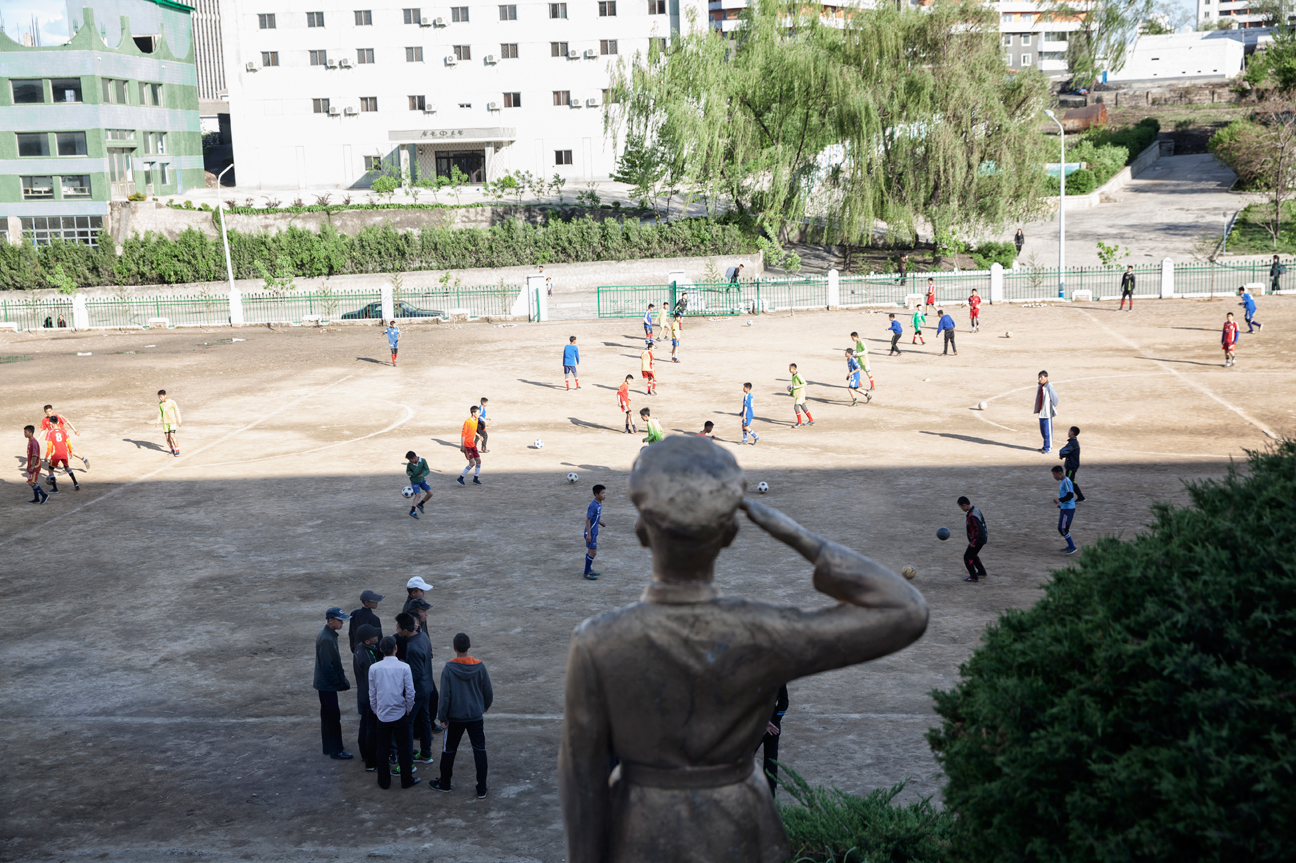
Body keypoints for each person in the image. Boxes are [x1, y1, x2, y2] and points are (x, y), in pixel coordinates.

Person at [557, 437, 928, 863]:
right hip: (741, 825)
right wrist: (796, 534)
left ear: (642, 531)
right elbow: (905, 610)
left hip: (641, 829)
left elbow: (580, 777)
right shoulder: (765, 631)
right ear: (731, 534)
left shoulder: (597, 639)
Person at [430, 632, 494, 798]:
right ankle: (482, 788)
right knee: (479, 750)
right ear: (469, 647)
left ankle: (445, 783)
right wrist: (485, 705)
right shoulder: (479, 666)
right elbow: (488, 690)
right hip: (475, 716)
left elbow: (445, 696)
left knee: (449, 750)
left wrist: (442, 717)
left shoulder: (449, 669)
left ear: (454, 648)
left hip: (455, 717)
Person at [370, 635, 420, 789]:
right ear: (396, 648)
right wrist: (408, 709)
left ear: (380, 650)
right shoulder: (404, 667)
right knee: (404, 749)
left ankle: (384, 781)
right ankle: (406, 780)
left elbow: (372, 694)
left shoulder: (374, 668)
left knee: (383, 749)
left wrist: (377, 711)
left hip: (383, 715)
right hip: (400, 713)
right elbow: (410, 693)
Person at [404, 601, 442, 758]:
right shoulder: (423, 636)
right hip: (426, 685)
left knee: (407, 723)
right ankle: (426, 752)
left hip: (418, 689)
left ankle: (407, 758)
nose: (426, 614)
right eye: (423, 611)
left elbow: (416, 673)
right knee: (425, 718)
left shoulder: (412, 646)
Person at [314, 607, 353, 760]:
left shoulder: (328, 635)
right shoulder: (326, 638)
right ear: (330, 621)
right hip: (327, 685)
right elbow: (327, 666)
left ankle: (331, 747)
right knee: (332, 717)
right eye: (339, 620)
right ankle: (335, 750)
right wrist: (339, 683)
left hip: (325, 684)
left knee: (329, 717)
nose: (342, 622)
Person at [353, 624, 383, 770]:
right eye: (374, 635)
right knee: (371, 729)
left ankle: (365, 754)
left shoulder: (359, 648)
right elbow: (375, 679)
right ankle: (371, 761)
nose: (377, 636)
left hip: (363, 694)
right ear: (367, 641)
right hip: (370, 697)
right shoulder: (369, 657)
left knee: (365, 725)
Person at [759, 685, 789, 794]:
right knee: (771, 762)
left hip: (756, 728)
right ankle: (771, 796)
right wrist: (774, 721)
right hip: (774, 726)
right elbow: (784, 703)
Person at [43, 417, 80, 492]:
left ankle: (55, 489)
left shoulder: (50, 432)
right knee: (67, 468)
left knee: (50, 470)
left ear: (50, 423)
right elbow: (68, 442)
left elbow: (49, 446)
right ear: (57, 422)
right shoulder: (63, 431)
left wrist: (47, 456)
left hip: (55, 454)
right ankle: (76, 483)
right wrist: (70, 452)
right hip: (64, 453)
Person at [957, 496, 987, 583]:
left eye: (961, 507)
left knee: (967, 557)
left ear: (965, 505)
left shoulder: (972, 516)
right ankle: (981, 572)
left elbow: (978, 529)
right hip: (982, 538)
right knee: (973, 555)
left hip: (977, 540)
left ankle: (973, 577)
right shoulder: (976, 510)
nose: (961, 509)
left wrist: (973, 542)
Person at [1052, 465, 1078, 555]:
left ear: (1060, 473)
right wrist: (1061, 505)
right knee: (1061, 528)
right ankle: (1070, 545)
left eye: (1054, 475)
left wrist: (1059, 500)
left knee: (1063, 528)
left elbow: (1070, 495)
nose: (1054, 477)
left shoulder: (1066, 481)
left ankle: (1072, 547)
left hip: (1068, 509)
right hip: (1065, 508)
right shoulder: (1063, 481)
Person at [584, 484, 607, 580]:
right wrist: (589, 534)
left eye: (605, 493)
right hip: (591, 533)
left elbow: (594, 517)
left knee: (590, 551)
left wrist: (600, 522)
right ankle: (586, 573)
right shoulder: (593, 505)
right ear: (596, 494)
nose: (604, 495)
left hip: (594, 531)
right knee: (593, 552)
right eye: (602, 493)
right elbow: (588, 520)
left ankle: (588, 569)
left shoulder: (599, 503)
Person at [1057, 427, 1086, 503]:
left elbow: (1064, 450)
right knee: (1071, 481)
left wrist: (1061, 455)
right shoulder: (1073, 442)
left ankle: (1069, 498)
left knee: (1068, 481)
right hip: (1072, 465)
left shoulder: (1073, 443)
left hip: (1071, 466)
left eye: (1069, 431)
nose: (1068, 432)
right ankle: (1080, 496)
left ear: (1072, 433)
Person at [1033, 370, 1059, 454]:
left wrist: (1050, 407)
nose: (1040, 379)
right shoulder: (1040, 386)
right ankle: (1045, 446)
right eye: (1039, 377)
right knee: (1043, 430)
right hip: (1041, 412)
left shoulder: (1049, 387)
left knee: (1048, 431)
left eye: (1042, 377)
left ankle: (1048, 447)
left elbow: (1055, 399)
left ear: (1046, 378)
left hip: (1047, 412)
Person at [458, 405, 483, 486]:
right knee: (472, 463)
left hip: (472, 444)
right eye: (478, 412)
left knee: (478, 460)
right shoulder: (467, 422)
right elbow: (463, 434)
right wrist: (462, 446)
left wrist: (478, 435)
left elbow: (472, 430)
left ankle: (476, 478)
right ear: (473, 413)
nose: (479, 414)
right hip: (467, 445)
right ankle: (461, 478)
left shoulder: (475, 420)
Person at [23, 425, 48, 504]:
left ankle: (44, 495)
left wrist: (32, 466)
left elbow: (35, 455)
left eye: (25, 432)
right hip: (32, 465)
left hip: (35, 465)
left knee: (31, 482)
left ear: (31, 433)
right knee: (34, 482)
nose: (24, 434)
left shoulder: (34, 442)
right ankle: (36, 498)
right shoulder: (30, 441)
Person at [405, 450, 433, 519]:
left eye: (410, 459)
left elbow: (427, 470)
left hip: (422, 480)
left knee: (430, 493)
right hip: (414, 481)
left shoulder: (423, 461)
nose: (409, 461)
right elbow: (407, 470)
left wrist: (423, 475)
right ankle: (413, 511)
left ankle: (420, 504)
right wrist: (409, 473)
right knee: (418, 495)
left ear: (414, 458)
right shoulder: (409, 464)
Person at [155, 390, 181, 457]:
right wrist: (157, 422)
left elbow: (177, 411)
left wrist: (179, 421)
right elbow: (160, 413)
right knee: (167, 438)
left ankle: (177, 450)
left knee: (172, 436)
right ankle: (172, 450)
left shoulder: (172, 402)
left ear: (165, 395)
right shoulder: (160, 404)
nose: (160, 399)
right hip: (165, 424)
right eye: (159, 397)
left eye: (161, 397)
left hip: (172, 423)